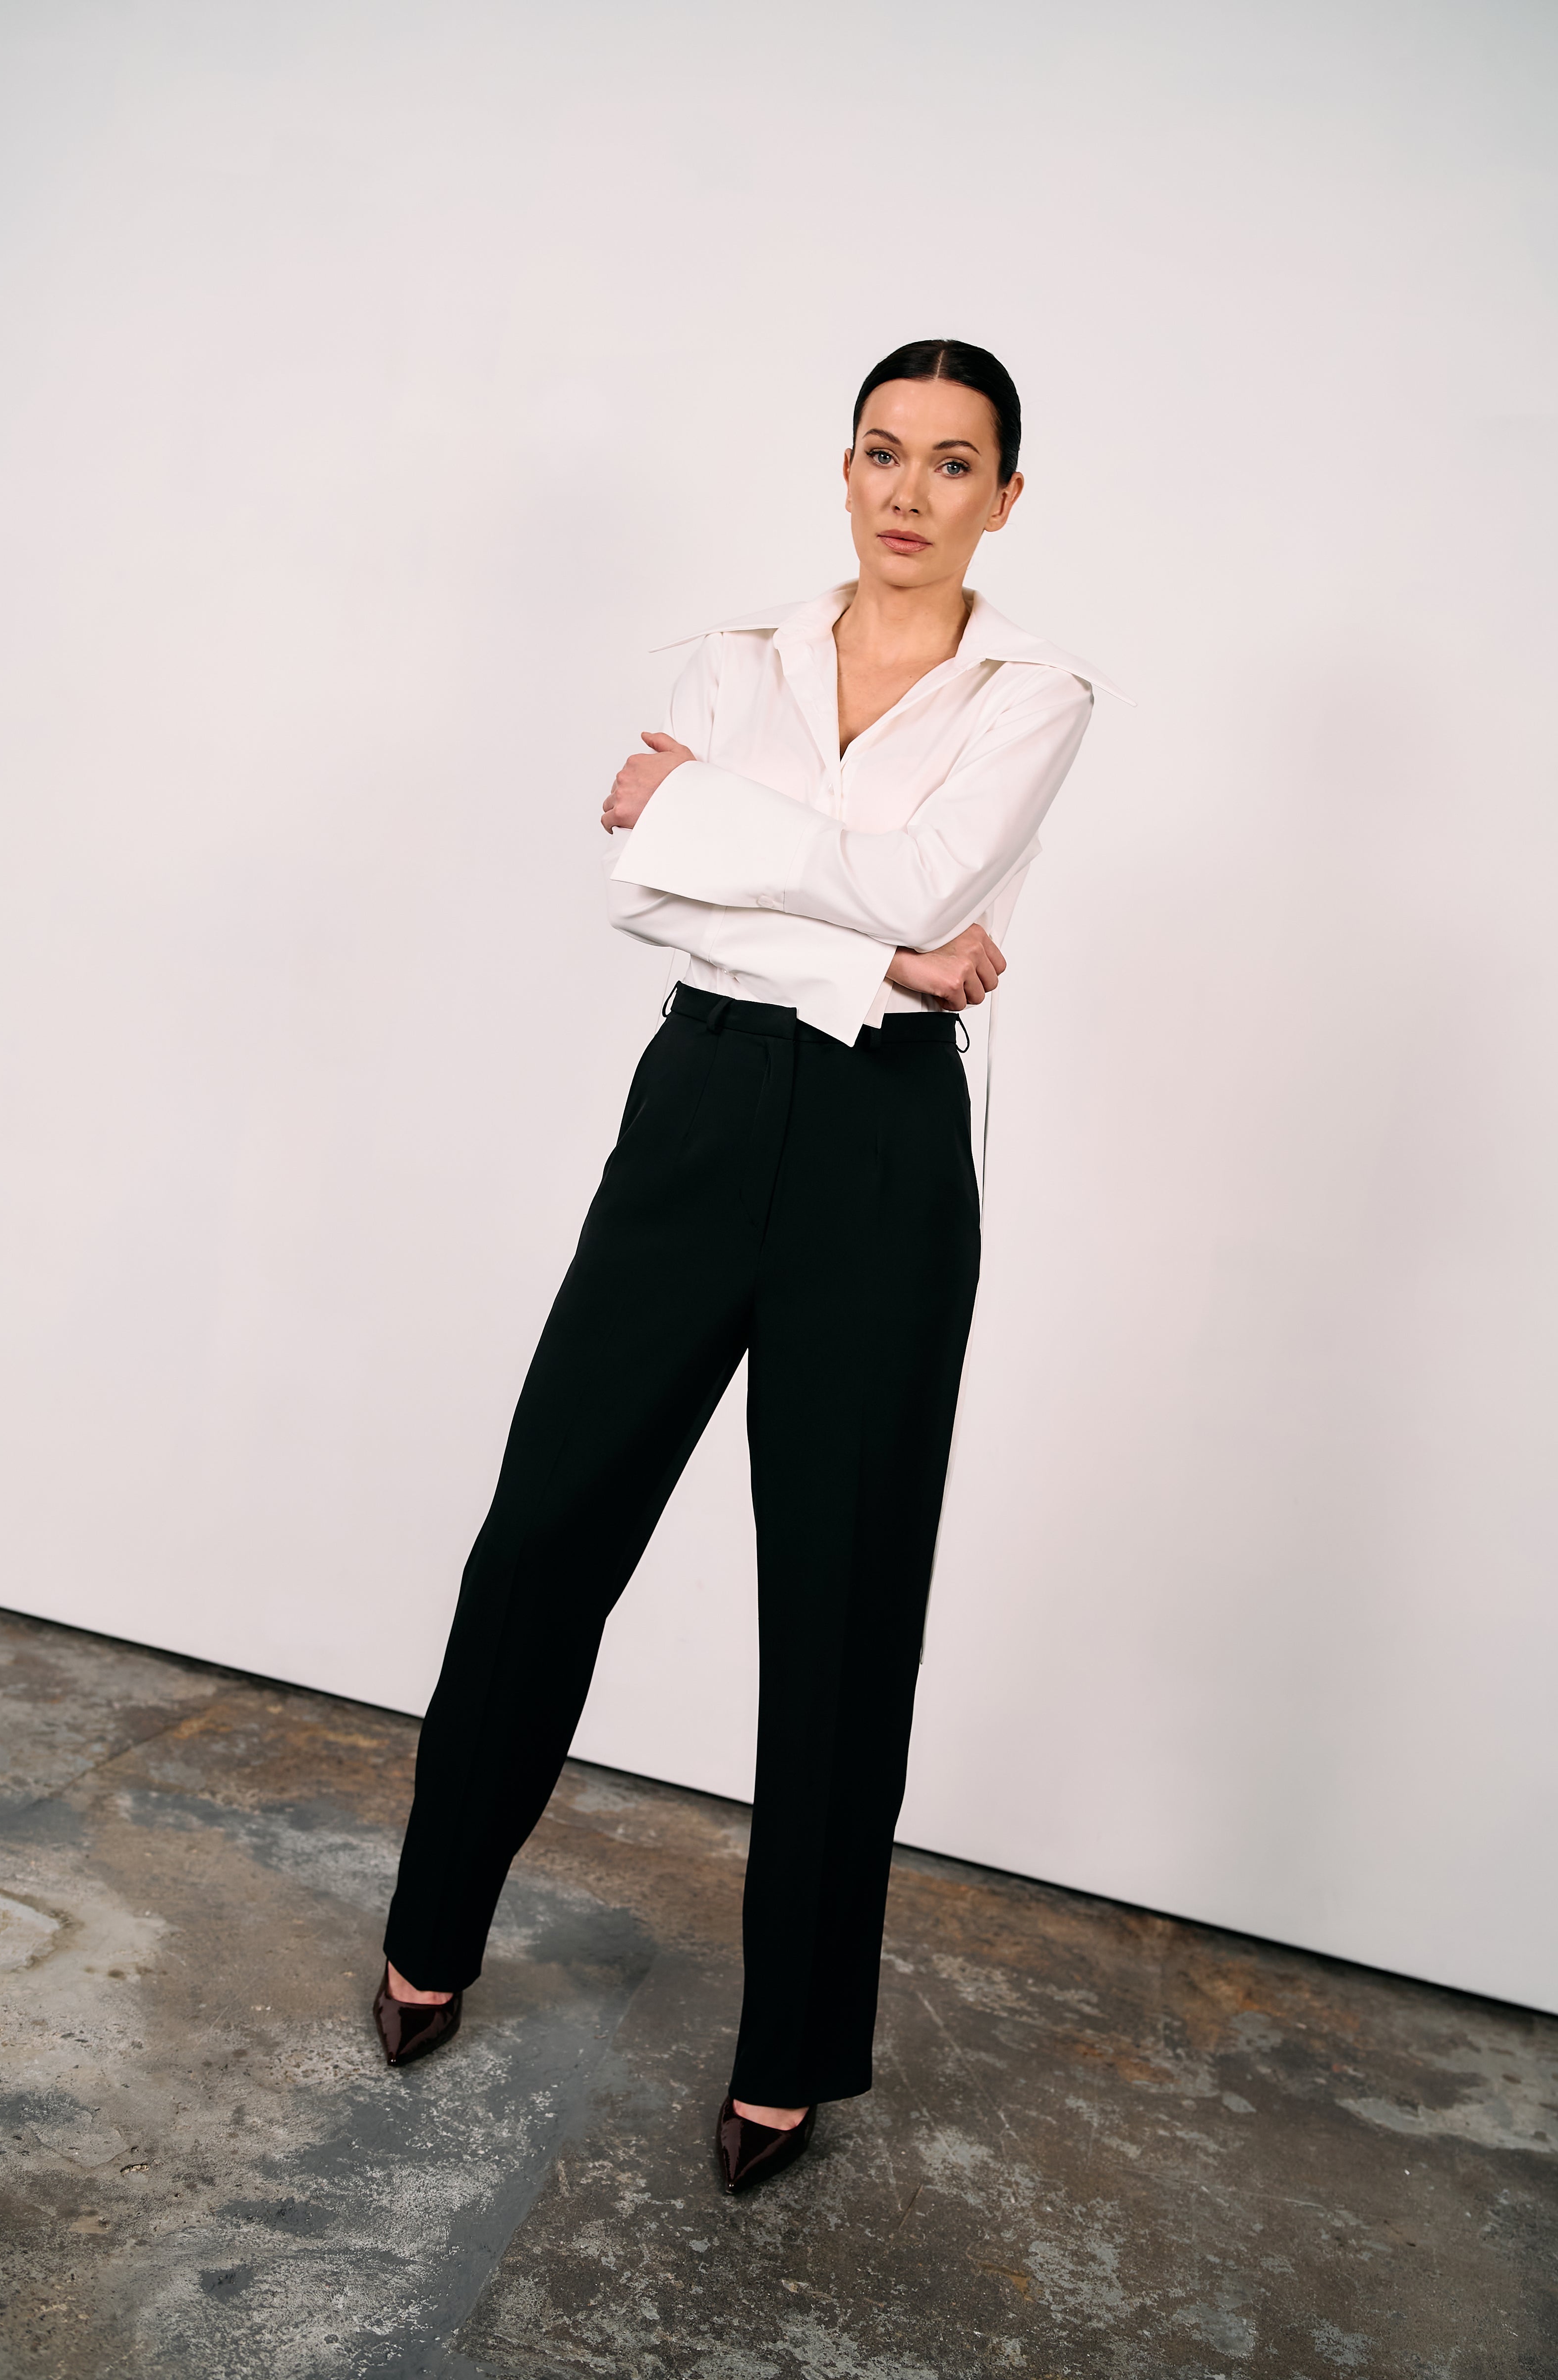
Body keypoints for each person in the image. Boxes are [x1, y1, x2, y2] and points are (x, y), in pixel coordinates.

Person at [375, 338, 1122, 2195]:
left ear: (1005, 499)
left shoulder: (1040, 690)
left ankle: (789, 2051)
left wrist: (734, 832)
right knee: (548, 1527)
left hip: (886, 1154)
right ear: (844, 466)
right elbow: (654, 895)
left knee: (845, 1600)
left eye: (955, 465)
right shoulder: (739, 658)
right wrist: (880, 954)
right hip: (702, 1115)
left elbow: (930, 866)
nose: (909, 491)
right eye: (884, 452)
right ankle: (430, 1928)